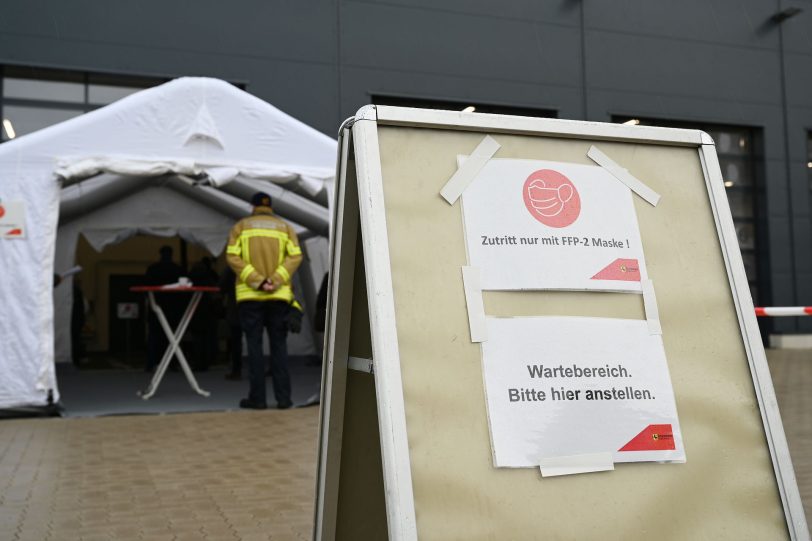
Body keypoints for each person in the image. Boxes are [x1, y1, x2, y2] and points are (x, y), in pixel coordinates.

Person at [226, 191, 302, 409]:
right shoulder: (286, 228)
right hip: (278, 297)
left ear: (252, 206)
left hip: (250, 297)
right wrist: (276, 280)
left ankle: (257, 399)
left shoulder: (241, 227)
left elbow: (232, 256)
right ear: (271, 207)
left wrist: (258, 281)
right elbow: (295, 256)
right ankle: (284, 399)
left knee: (255, 348)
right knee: (279, 348)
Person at [144, 245, 183, 372]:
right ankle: (172, 363)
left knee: (154, 337)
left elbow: (146, 288)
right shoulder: (177, 269)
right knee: (172, 337)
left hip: (156, 306)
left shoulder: (153, 269)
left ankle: (151, 363)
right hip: (173, 308)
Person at [188, 257, 219, 371]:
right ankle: (206, 361)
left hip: (194, 311)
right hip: (208, 312)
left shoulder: (190, 281)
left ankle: (197, 362)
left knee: (197, 339)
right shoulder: (209, 280)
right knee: (207, 338)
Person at [221, 266, 244, 380]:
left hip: (235, 307)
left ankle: (237, 370)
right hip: (252, 306)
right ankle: (258, 370)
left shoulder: (231, 268)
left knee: (236, 342)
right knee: (255, 341)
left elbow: (222, 286)